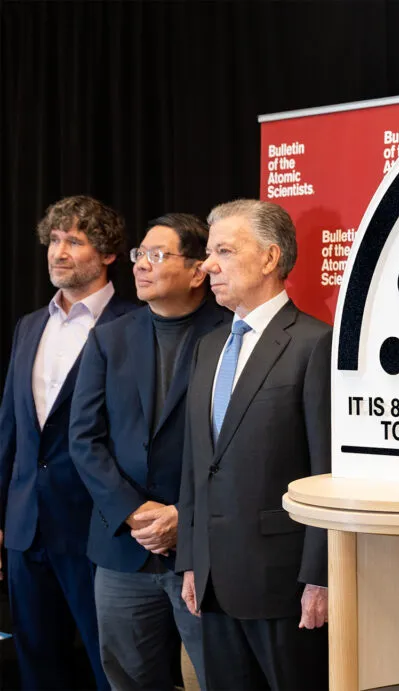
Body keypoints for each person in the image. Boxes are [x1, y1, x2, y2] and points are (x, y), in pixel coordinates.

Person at [70, 213, 229, 690]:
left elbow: (239, 448)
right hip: (123, 549)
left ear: (198, 270)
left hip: (204, 549)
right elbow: (84, 439)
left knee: (221, 676)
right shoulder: (109, 337)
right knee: (130, 681)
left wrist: (186, 515)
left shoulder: (231, 336)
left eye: (158, 256)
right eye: (140, 255)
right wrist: (135, 512)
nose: (141, 265)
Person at [176, 199, 330, 690]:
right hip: (215, 580)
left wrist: (322, 576)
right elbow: (197, 463)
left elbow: (328, 469)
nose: (208, 265)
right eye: (207, 251)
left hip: (284, 585)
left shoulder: (314, 343)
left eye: (223, 250)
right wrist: (191, 560)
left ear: (268, 258)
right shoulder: (208, 346)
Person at [0, 195, 137, 690]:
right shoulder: (29, 326)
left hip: (97, 531)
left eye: (74, 241)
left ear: (107, 254)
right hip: (25, 528)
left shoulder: (135, 324)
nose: (59, 251)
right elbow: (11, 432)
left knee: (111, 669)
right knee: (36, 667)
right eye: (55, 240)